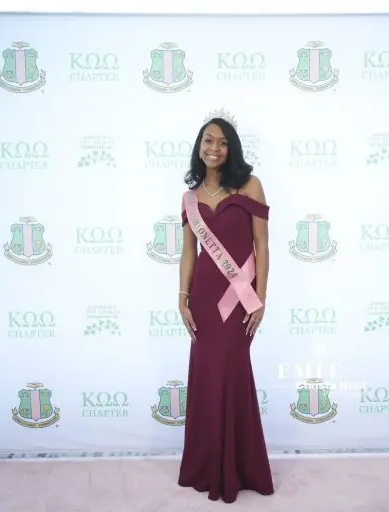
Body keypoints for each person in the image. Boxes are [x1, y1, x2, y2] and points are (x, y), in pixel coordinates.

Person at [177, 114, 275, 503]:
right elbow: (188, 252)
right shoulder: (190, 197)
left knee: (232, 375)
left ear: (231, 147)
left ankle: (239, 467)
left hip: (238, 302)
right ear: (199, 147)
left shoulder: (250, 185)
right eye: (207, 141)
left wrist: (261, 298)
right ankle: (206, 466)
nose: (213, 148)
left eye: (221, 142)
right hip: (202, 300)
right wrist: (181, 297)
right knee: (207, 379)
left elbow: (262, 246)